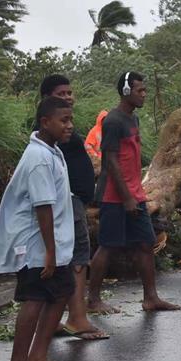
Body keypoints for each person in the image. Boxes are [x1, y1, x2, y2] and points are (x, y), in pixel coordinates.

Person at [0, 97, 76, 361]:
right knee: (35, 298)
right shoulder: (39, 159)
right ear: (45, 122)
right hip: (35, 244)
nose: (70, 125)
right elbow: (43, 207)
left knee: (63, 290)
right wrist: (50, 252)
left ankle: (38, 357)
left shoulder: (52, 151)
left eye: (70, 119)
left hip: (52, 243)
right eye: (63, 120)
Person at [87, 72, 180, 313]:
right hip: (114, 196)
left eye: (145, 90)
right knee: (108, 245)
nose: (144, 94)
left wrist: (135, 193)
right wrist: (126, 196)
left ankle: (151, 298)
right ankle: (93, 300)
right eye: (140, 90)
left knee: (146, 243)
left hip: (135, 194)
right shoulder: (113, 121)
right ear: (126, 91)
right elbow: (110, 160)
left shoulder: (133, 119)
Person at [39, 75, 108, 340]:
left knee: (69, 257)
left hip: (74, 199)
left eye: (70, 92)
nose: (68, 97)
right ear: (47, 99)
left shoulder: (59, 126)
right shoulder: (52, 130)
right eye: (61, 93)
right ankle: (77, 317)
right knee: (78, 256)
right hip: (68, 200)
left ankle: (54, 319)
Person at [84, 109, 108, 175]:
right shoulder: (94, 131)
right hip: (96, 160)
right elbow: (88, 146)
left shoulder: (108, 130)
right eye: (103, 119)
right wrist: (96, 156)